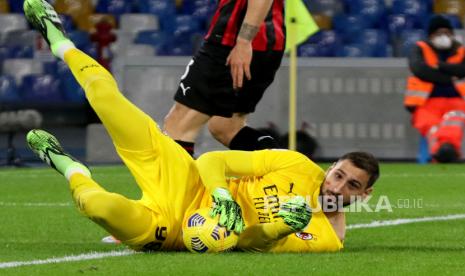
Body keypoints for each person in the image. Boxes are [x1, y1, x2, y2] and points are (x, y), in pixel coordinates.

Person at [23, 0, 380, 252]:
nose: (338, 186)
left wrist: (281, 225)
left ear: (364, 197)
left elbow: (252, 242)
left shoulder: (324, 239)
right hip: (185, 179)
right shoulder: (301, 167)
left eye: (352, 185)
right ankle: (61, 40)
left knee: (102, 207)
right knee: (109, 100)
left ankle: (69, 166)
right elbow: (212, 162)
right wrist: (222, 195)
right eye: (338, 175)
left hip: (173, 228)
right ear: (329, 168)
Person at [163, 0, 285, 156]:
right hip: (268, 43)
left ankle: (177, 181)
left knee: (179, 124)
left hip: (231, 43)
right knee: (226, 127)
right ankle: (287, 171)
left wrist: (243, 42)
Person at [405, 15, 465, 163]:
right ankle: (443, 153)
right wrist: (449, 77)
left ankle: (446, 151)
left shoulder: (460, 50)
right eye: (438, 33)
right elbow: (419, 69)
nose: (443, 36)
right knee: (432, 129)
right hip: (426, 101)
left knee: (452, 127)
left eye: (446, 32)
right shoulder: (420, 48)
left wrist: (442, 67)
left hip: (455, 100)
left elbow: (463, 70)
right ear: (431, 35)